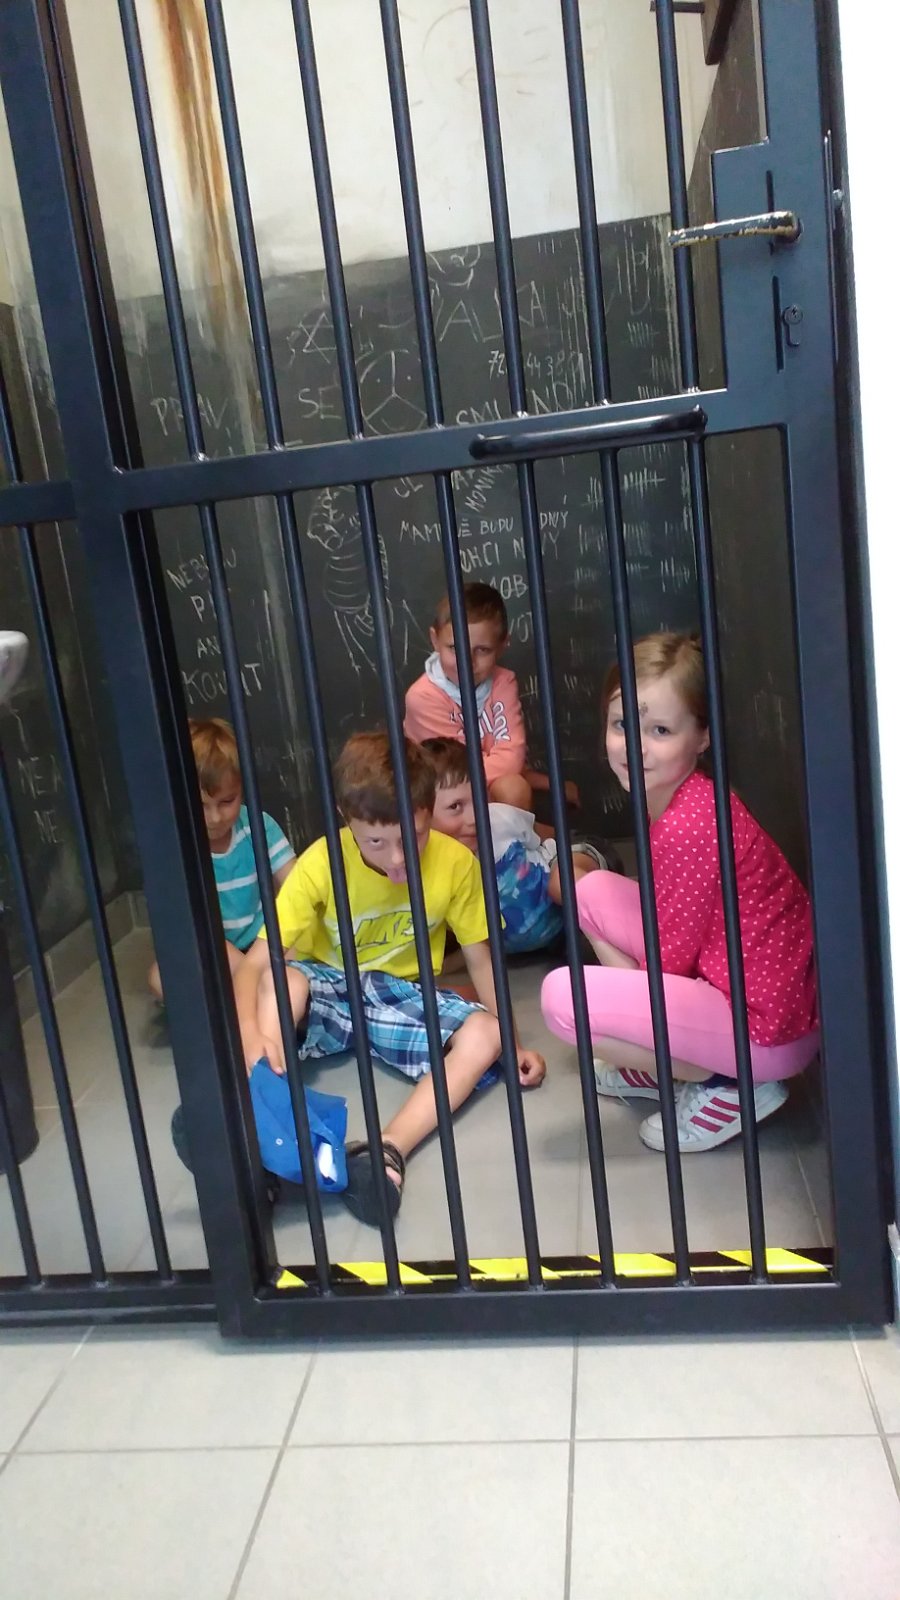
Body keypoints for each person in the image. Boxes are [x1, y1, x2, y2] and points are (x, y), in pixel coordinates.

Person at [231, 732, 546, 1224]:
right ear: (345, 817)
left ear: (428, 811)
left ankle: (385, 1153)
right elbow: (254, 964)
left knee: (488, 1034)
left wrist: (515, 1040)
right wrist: (250, 1037)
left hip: (400, 994)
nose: (397, 859)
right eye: (376, 842)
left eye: (412, 837)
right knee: (283, 982)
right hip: (328, 983)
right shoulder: (320, 862)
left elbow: (482, 960)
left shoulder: (457, 864)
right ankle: (267, 1134)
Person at [541, 632, 819, 1152]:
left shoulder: (690, 823)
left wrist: (631, 1025)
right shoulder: (680, 795)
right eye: (623, 725)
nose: (636, 745)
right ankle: (672, 1058)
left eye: (661, 730)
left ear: (702, 736)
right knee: (589, 890)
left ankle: (729, 1083)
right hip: (745, 984)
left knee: (563, 999)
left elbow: (668, 962)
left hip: (764, 1029)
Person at [422, 736, 618, 958]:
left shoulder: (500, 819)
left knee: (561, 882)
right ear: (420, 815)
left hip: (569, 870)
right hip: (557, 938)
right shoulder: (430, 873)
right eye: (456, 806)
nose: (475, 816)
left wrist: (581, 845)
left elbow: (547, 840)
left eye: (479, 798)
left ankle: (627, 917)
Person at [149, 717, 295, 998]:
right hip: (208, 950)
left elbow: (297, 888)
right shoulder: (175, 846)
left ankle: (242, 994)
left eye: (227, 801)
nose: (215, 818)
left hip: (262, 943)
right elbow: (194, 927)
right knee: (160, 979)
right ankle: (254, 992)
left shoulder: (259, 826)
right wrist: (249, 974)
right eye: (201, 805)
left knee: (303, 944)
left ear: (241, 788)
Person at [404, 580, 579, 813]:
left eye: (482, 650)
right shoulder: (423, 697)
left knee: (514, 789)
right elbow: (456, 774)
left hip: (481, 784)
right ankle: (533, 831)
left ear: (502, 645)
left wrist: (540, 780)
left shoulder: (503, 682)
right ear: (435, 640)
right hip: (441, 794)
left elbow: (512, 756)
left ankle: (521, 834)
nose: (467, 663)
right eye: (454, 648)